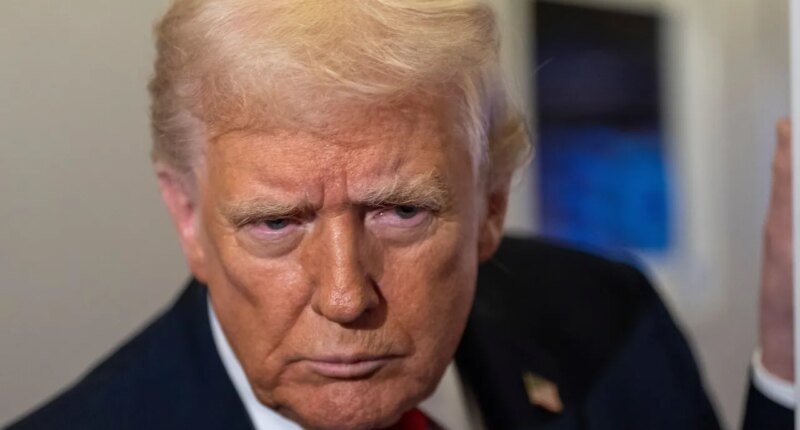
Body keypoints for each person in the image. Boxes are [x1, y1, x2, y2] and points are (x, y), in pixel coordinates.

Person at [4, 1, 794, 429]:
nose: (347, 297)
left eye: (401, 211)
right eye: (278, 223)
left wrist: (789, 359)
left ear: (490, 202)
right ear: (187, 216)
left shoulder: (607, 319)